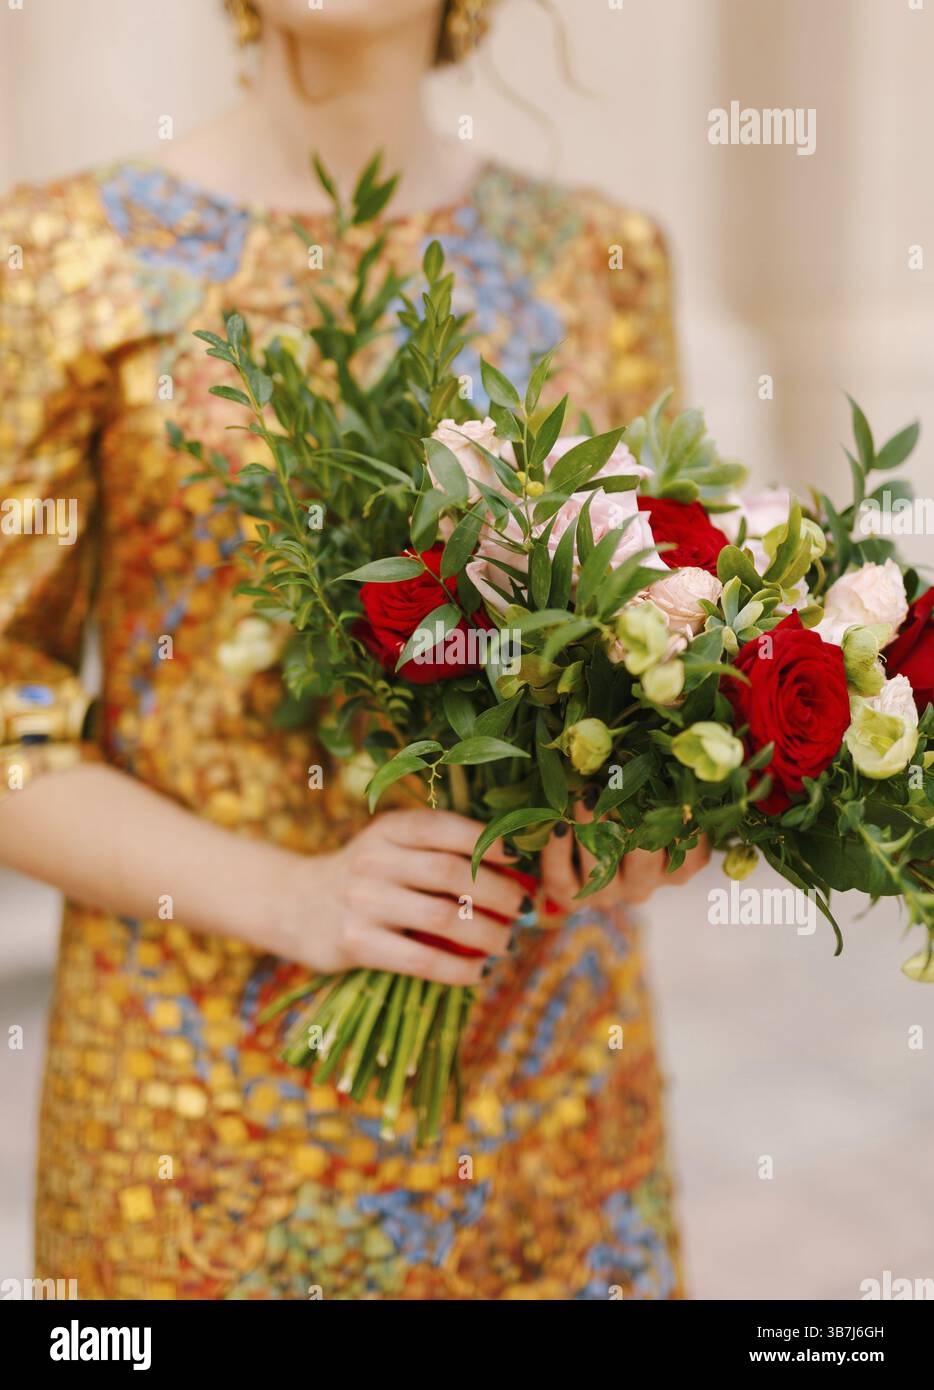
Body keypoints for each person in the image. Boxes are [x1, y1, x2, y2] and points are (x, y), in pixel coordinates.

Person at [0, 0, 707, 1299]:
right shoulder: (64, 259)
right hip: (199, 1102)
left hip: (551, 1104)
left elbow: (670, 648)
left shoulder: (599, 258)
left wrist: (651, 816)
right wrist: (297, 899)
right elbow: (8, 723)